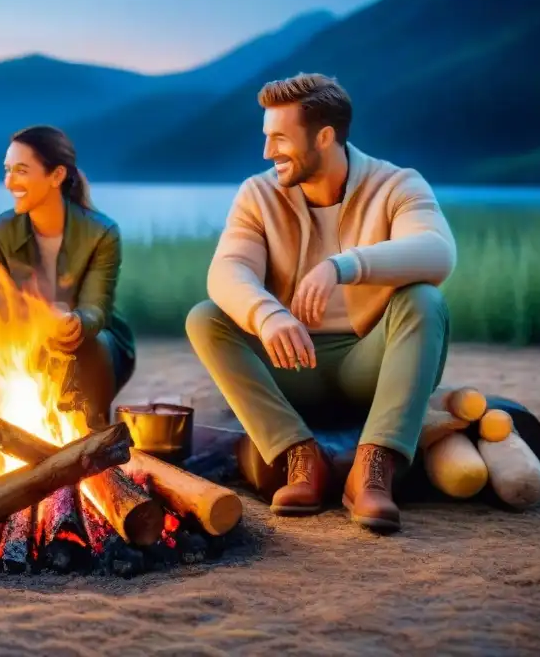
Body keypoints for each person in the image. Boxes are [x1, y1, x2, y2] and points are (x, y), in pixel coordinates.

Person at [186, 73, 456, 534]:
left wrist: (343, 265)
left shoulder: (398, 185)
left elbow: (438, 251)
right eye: (266, 138)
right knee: (207, 317)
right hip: (290, 361)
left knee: (424, 300)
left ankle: (372, 471)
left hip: (367, 363)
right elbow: (226, 270)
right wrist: (267, 314)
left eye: (279, 139)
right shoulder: (259, 194)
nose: (268, 152)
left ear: (325, 136)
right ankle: (299, 456)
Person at [0, 125, 136, 430]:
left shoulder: (101, 232)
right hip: (26, 341)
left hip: (90, 345)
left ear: (56, 176)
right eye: (7, 170)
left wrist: (75, 321)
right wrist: (36, 324)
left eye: (21, 171)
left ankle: (93, 433)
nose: (9, 182)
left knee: (93, 343)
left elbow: (96, 307)